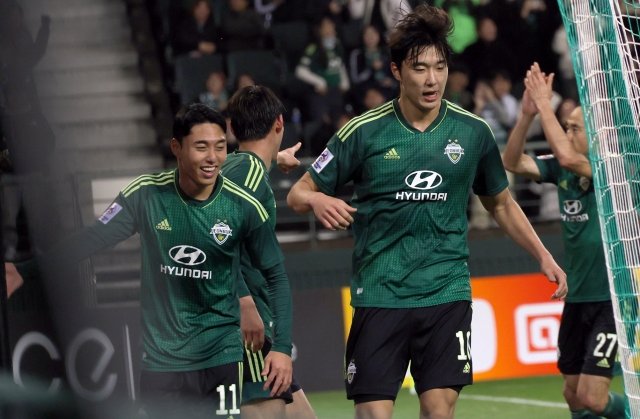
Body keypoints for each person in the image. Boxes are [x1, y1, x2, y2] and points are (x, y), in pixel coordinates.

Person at [287, 6, 567, 419]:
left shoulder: (473, 132)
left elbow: (502, 204)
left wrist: (543, 255)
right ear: (398, 71)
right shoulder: (363, 131)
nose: (432, 78)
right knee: (373, 415)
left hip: (445, 291)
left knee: (439, 411)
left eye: (439, 66)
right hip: (380, 292)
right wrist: (316, 199)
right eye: (420, 68)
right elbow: (298, 191)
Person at [5, 104, 293, 419]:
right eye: (201, 147)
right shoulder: (146, 195)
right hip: (162, 364)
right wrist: (24, 271)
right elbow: (91, 239)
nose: (212, 157)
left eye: (220, 146)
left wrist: (282, 347)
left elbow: (276, 276)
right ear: (176, 148)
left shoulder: (243, 204)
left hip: (220, 357)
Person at [502, 63, 626, 419]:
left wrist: (544, 103)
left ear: (598, 136)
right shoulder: (562, 169)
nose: (567, 133)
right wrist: (527, 116)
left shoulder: (611, 166)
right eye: (565, 126)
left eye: (575, 128)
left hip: (610, 302)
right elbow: (512, 161)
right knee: (572, 395)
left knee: (593, 397)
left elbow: (571, 156)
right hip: (578, 299)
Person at [223, 86, 317, 419]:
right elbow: (215, 243)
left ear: (232, 129)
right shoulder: (250, 178)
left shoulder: (234, 166)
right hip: (246, 329)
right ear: (280, 123)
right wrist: (244, 300)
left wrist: (274, 161)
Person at [295, 16, 349, 126]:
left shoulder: (337, 45)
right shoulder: (313, 48)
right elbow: (300, 71)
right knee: (324, 123)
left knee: (342, 121)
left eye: (331, 24)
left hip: (337, 91)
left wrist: (345, 82)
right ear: (319, 30)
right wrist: (320, 82)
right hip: (321, 93)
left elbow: (340, 65)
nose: (331, 27)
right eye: (327, 25)